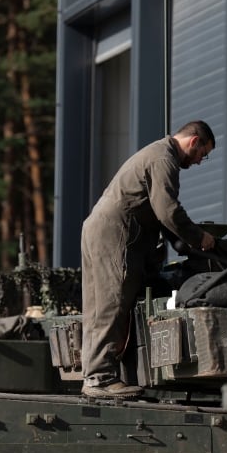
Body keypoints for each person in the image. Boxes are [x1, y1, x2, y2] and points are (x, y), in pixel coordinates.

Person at [80, 120, 217, 399]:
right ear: (194, 141)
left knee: (99, 305)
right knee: (113, 302)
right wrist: (198, 237)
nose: (200, 161)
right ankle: (100, 378)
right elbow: (168, 210)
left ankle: (96, 375)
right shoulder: (163, 159)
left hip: (100, 228)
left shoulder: (155, 153)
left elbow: (157, 212)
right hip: (116, 234)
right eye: (203, 154)